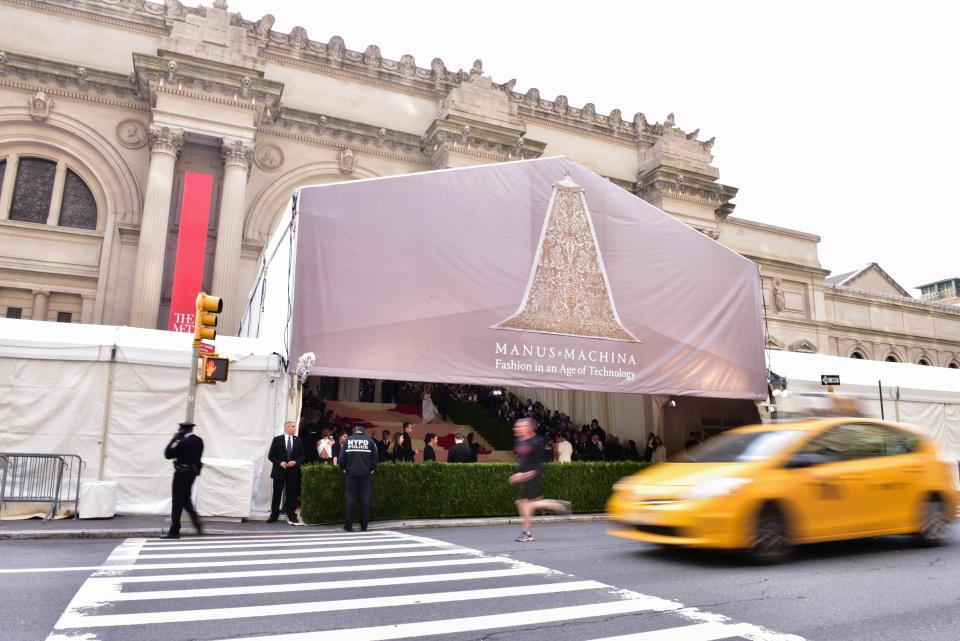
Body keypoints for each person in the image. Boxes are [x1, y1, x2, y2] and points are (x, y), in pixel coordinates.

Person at [509, 417, 570, 542]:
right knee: (523, 503)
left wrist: (526, 475)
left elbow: (539, 464)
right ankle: (556, 505)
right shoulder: (519, 441)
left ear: (528, 428)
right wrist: (517, 474)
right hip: (524, 477)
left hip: (533, 477)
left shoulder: (536, 442)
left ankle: (526, 532)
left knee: (525, 504)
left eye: (519, 426)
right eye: (516, 426)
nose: (516, 428)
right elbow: (521, 460)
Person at [161, 421, 204, 539]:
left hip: (181, 474)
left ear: (183, 430)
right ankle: (196, 521)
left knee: (177, 502)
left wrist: (174, 440)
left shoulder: (183, 442)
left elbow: (168, 454)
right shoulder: (199, 441)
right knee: (185, 499)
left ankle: (174, 531)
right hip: (192, 474)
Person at [340, 422, 379, 531]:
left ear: (354, 429)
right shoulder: (370, 441)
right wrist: (371, 470)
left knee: (350, 499)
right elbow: (375, 458)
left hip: (350, 475)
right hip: (365, 475)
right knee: (365, 500)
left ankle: (348, 526)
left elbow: (341, 457)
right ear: (364, 430)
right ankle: (364, 526)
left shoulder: (348, 440)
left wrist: (344, 469)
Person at [267, 421, 304, 524]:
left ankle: (291, 515)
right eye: (293, 427)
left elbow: (302, 456)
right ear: (287, 428)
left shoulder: (298, 440)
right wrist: (280, 463)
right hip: (279, 471)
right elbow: (271, 456)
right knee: (277, 494)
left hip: (293, 472)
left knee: (292, 494)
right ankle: (274, 515)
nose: (295, 429)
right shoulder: (277, 440)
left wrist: (295, 462)